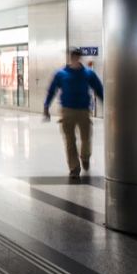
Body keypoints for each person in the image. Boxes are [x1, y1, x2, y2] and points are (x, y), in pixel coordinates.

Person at [44, 47, 104, 178]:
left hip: (84, 111)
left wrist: (107, 104)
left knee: (86, 138)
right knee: (70, 141)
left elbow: (99, 89)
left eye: (78, 57)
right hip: (67, 111)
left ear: (80, 58)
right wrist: (46, 106)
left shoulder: (88, 74)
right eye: (73, 57)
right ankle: (74, 168)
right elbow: (51, 90)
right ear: (71, 58)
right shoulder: (61, 74)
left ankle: (85, 157)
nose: (76, 59)